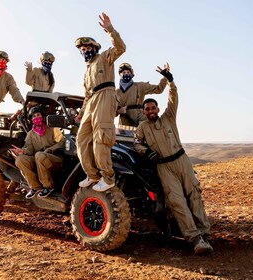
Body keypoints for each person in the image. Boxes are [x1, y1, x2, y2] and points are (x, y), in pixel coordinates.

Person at [133, 63, 213, 255]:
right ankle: (195, 238)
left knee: (194, 194)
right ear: (144, 112)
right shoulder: (142, 127)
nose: (151, 111)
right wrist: (146, 151)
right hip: (164, 167)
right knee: (177, 201)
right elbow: (137, 143)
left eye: (153, 107)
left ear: (158, 109)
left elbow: (173, 98)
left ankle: (204, 232)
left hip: (182, 161)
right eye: (147, 109)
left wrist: (170, 80)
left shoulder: (168, 117)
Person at [74, 12, 126, 192]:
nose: (85, 51)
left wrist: (110, 30)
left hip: (106, 95)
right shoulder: (87, 71)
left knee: (101, 137)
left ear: (95, 48)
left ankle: (107, 177)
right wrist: (81, 114)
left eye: (87, 47)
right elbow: (87, 95)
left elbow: (121, 48)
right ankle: (93, 175)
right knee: (81, 139)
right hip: (92, 101)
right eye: (82, 50)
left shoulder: (104, 58)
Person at [10, 106, 65, 199]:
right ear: (31, 119)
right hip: (38, 158)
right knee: (20, 160)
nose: (36, 117)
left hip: (55, 158)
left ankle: (48, 186)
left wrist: (50, 149)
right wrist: (22, 151)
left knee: (39, 155)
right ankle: (35, 187)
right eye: (34, 116)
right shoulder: (30, 134)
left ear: (43, 116)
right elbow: (29, 150)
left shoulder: (52, 129)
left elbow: (62, 142)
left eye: (38, 115)